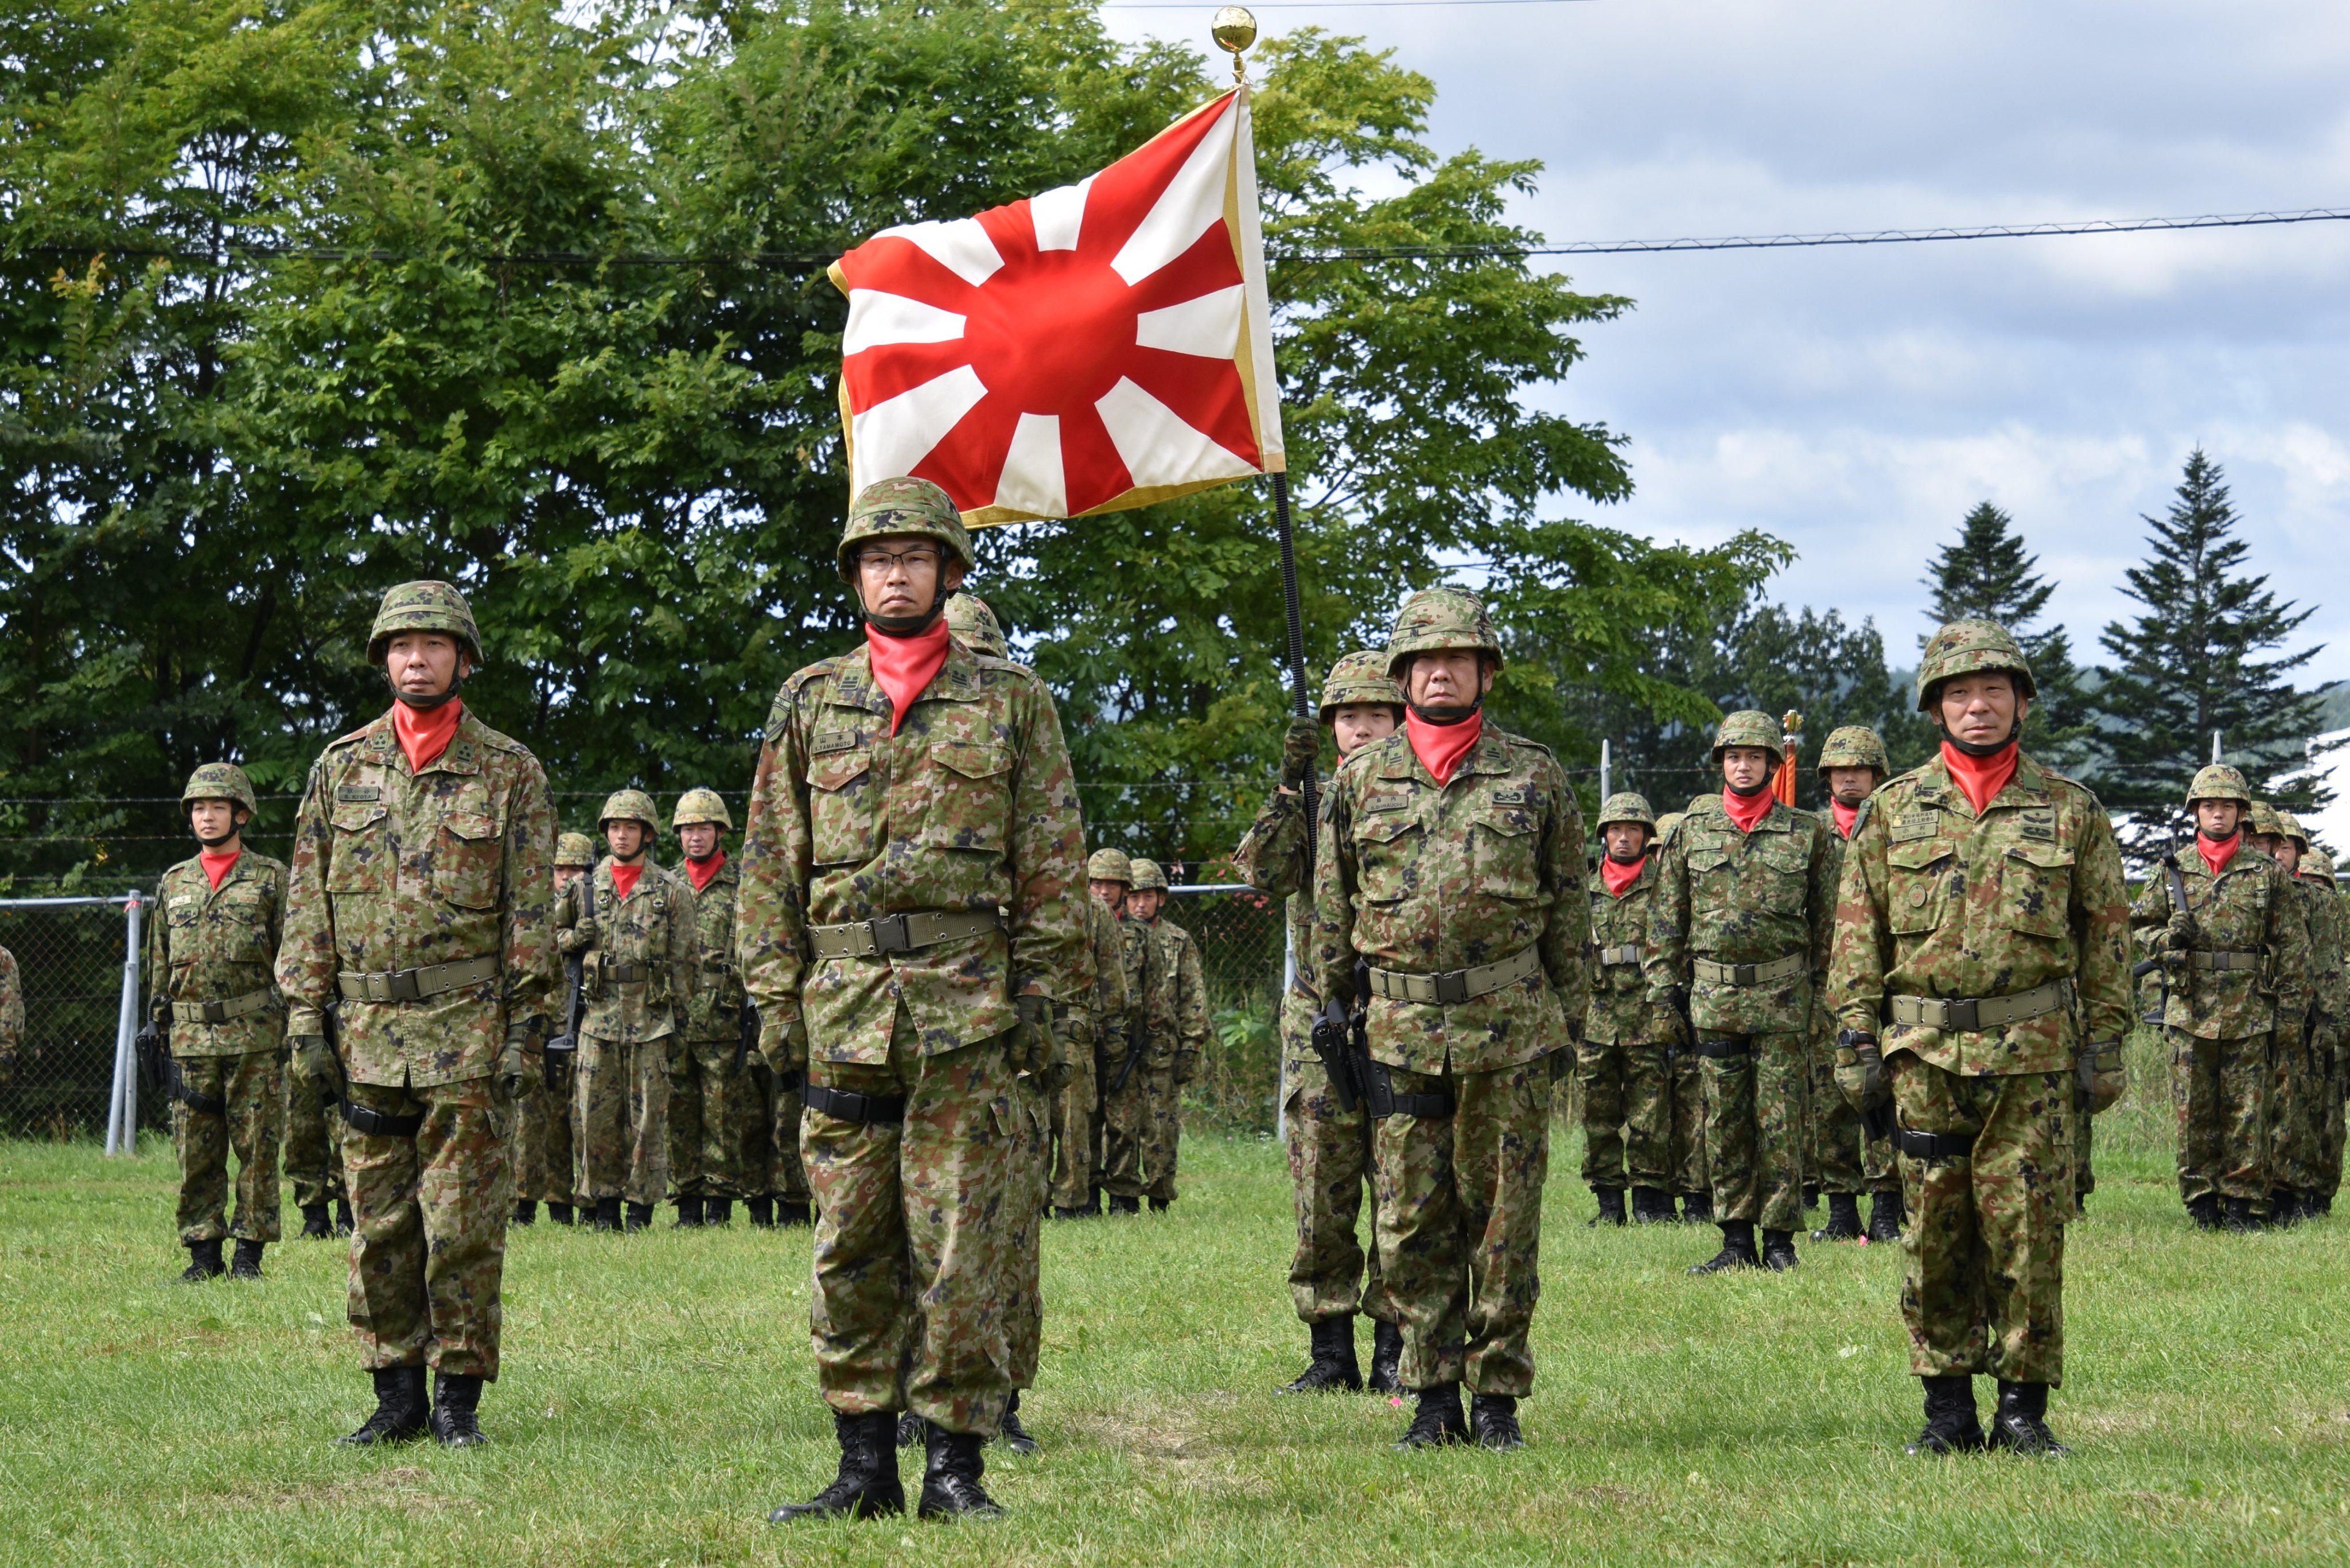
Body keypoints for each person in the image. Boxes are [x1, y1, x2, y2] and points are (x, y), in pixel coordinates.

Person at [738, 476, 1083, 1523]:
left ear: (949, 572)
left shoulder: (1011, 700)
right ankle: (862, 1465)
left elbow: (1052, 866)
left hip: (967, 1014)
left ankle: (954, 1467)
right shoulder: (810, 701)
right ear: (856, 577)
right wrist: (775, 1000)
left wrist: (1043, 1001)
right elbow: (770, 862)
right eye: (879, 559)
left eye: (916, 557)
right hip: (844, 1009)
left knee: (961, 1244)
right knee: (850, 1240)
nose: (897, 574)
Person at [1830, 617, 2131, 1457]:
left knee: (2030, 1230)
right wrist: (1855, 1042)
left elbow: (2107, 936)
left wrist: (2106, 1045)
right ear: (1935, 708)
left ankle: (2023, 1411)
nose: (1977, 706)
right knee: (1933, 1232)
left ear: (2021, 702)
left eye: (1994, 690)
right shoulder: (1892, 810)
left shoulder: (2071, 810)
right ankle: (1948, 1410)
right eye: (1958, 693)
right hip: (1924, 1056)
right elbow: (1855, 935)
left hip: (2033, 1056)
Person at [278, 579, 558, 1448]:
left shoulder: (509, 770)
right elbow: (307, 903)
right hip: (366, 1036)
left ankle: (457, 1401)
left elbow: (530, 913)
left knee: (463, 1225)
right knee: (379, 1225)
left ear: (463, 659)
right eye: (401, 646)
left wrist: (524, 1029)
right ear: (382, 660)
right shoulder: (340, 768)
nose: (416, 659)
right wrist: (304, 1018)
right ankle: (394, 1393)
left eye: (434, 644)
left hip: (467, 1029)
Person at [1312, 586, 1588, 1450]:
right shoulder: (1359, 782)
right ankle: (1433, 1396)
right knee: (1410, 1222)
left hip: (1508, 1027)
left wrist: (1569, 1025)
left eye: (1457, 658)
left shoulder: (1534, 775)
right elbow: (1332, 907)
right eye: (1424, 660)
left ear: (1485, 673)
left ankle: (1496, 1396)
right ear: (1402, 676)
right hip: (1398, 1033)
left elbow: (1570, 910)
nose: (1440, 672)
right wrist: (1334, 1006)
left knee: (1505, 1223)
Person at [1234, 650, 1406, 1394]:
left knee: (1403, 1185)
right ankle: (1331, 1351)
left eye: (1376, 714)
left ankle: (1397, 1347)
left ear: (1400, 719)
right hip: (1320, 1019)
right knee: (1321, 1190)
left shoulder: (1421, 800)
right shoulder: (1313, 801)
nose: (1361, 728)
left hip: (1398, 1010)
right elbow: (1261, 873)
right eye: (1348, 716)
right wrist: (1287, 784)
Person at [1647, 710, 1837, 1275]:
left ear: (1773, 764)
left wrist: (1827, 999)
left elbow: (1829, 924)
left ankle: (1779, 1242)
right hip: (1714, 999)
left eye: (1755, 757)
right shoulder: (1690, 832)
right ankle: (1735, 1241)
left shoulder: (1807, 833)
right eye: (1734, 756)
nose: (1744, 765)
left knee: (1781, 1122)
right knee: (1724, 1123)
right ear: (1720, 763)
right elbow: (1665, 922)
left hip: (1784, 998)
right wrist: (1662, 995)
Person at [2131, 767, 2309, 1231]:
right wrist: (2165, 941)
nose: (2217, 813)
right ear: (2195, 811)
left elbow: (2293, 946)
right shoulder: (2172, 869)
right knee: (2193, 1111)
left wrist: (2290, 1015)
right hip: (2189, 1009)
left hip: (2250, 1009)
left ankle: (2244, 1203)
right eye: (2209, 805)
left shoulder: (2266, 873)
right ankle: (2202, 1200)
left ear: (2241, 813)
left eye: (2227, 806)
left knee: (2247, 1111)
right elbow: (2139, 927)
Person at [150, 763, 290, 1282]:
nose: (206, 816)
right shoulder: (174, 882)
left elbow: (293, 959)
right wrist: (157, 1025)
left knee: (258, 1148)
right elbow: (160, 961)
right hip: (190, 1038)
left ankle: (249, 1255)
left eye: (217, 807)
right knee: (195, 1150)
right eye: (198, 808)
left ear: (241, 814)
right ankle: (203, 1254)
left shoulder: (271, 878)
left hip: (256, 1034)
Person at [565, 789, 695, 1233]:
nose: (622, 835)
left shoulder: (670, 890)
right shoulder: (584, 887)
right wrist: (573, 939)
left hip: (651, 1019)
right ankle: (603, 1207)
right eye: (615, 827)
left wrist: (681, 1023)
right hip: (597, 1016)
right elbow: (546, 938)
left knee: (648, 1121)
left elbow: (685, 962)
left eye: (631, 827)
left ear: (648, 834)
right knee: (595, 1118)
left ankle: (640, 1208)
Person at [1806, 725, 1901, 1244]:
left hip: (1888, 982)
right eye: (1840, 770)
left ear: (1877, 774)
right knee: (1830, 1097)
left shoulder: (1898, 825)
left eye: (1859, 769)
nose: (1850, 778)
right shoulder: (1810, 833)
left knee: (1885, 1091)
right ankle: (1841, 1208)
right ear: (1827, 777)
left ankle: (1887, 1206)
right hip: (1825, 985)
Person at [1579, 792, 1676, 1228]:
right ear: (1604, 835)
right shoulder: (1584, 889)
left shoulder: (1664, 887)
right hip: (1596, 1017)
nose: (1623, 837)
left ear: (1646, 836)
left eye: (1633, 830)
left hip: (1648, 1015)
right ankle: (1608, 1204)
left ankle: (1649, 1201)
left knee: (1650, 1112)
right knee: (1597, 1112)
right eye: (1615, 829)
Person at [668, 787, 752, 1227]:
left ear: (720, 831)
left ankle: (719, 1205)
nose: (695, 836)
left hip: (723, 1015)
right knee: (678, 1111)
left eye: (703, 828)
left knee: (722, 1114)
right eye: (687, 829)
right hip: (675, 1016)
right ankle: (686, 1204)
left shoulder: (743, 883)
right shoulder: (665, 884)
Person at [514, 830, 597, 1226]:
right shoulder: (533, 907)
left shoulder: (597, 908)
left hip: (581, 1023)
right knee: (531, 1120)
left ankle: (577, 1202)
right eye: (559, 869)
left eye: (575, 870)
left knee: (578, 1118)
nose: (566, 877)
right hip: (538, 1023)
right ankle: (526, 1203)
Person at [1124, 858, 1207, 1212]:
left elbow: (1193, 995)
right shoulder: (1113, 936)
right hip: (1121, 1048)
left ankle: (1160, 1194)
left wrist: (1191, 1046)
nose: (1140, 904)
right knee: (1122, 1125)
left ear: (1161, 898)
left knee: (1162, 1126)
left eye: (1148, 896)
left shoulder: (1178, 940)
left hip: (1162, 1049)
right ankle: (1123, 1195)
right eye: (1134, 897)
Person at [1089, 848, 1160, 1215]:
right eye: (1098, 884)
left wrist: (1153, 1043)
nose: (1104, 891)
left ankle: (1122, 1194)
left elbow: (1156, 993)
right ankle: (1085, 1194)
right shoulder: (1077, 928)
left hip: (1127, 1043)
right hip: (1084, 1037)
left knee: (1123, 1122)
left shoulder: (1142, 935)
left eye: (1112, 885)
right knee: (1084, 1121)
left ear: (1125, 889)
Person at [1649, 809, 1710, 1223]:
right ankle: (1658, 1195)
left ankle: (1696, 1195)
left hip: (1697, 1010)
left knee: (1696, 1108)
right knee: (1655, 1109)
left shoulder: (1702, 895)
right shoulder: (1650, 896)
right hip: (1651, 1015)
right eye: (1658, 851)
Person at [2285, 823, 2347, 1213]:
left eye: (2320, 884)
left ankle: (2320, 1192)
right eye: (2306, 882)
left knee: (2329, 1115)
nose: (2312, 890)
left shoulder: (2337, 922)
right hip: (2300, 1020)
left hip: (2334, 1025)